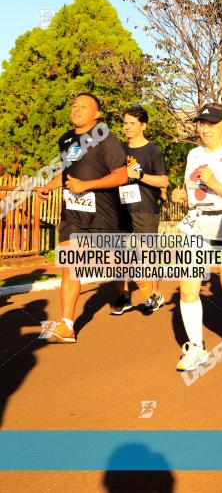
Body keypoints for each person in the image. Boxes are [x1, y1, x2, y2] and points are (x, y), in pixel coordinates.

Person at [38, 93, 128, 343]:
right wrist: (49, 186)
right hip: (73, 215)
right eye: (74, 105)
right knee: (70, 267)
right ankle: (67, 325)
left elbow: (121, 176)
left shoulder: (107, 140)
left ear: (96, 114)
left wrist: (86, 185)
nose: (76, 109)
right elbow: (68, 173)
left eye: (83, 106)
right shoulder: (67, 139)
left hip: (104, 215)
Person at [169, 104, 222, 371]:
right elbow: (191, 188)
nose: (204, 128)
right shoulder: (194, 154)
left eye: (210, 124)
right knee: (187, 289)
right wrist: (180, 194)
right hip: (196, 227)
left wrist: (216, 182)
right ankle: (196, 348)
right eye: (201, 123)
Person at [113, 106, 170, 314]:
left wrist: (140, 176)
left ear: (143, 125)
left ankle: (155, 294)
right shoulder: (119, 149)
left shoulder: (152, 150)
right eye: (125, 123)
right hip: (121, 208)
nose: (127, 127)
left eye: (132, 123)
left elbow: (164, 180)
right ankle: (124, 296)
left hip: (145, 209)